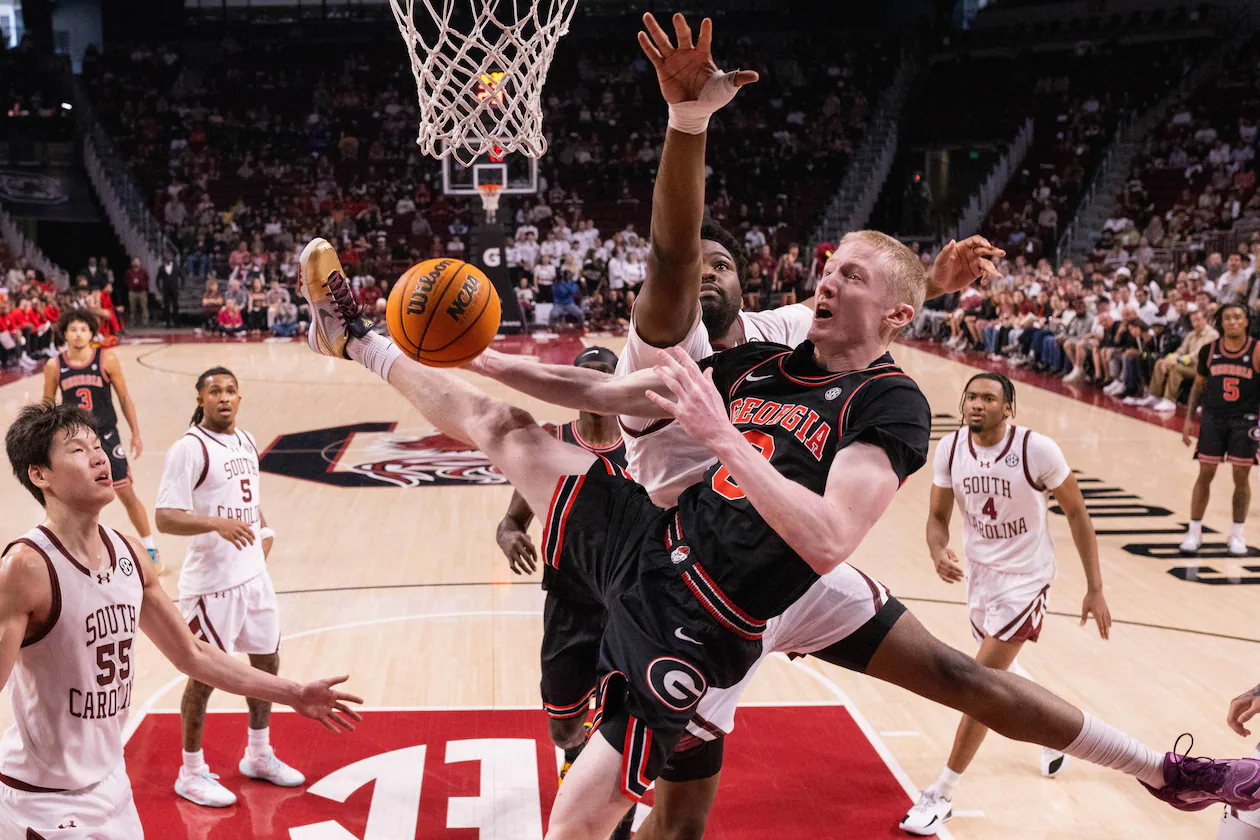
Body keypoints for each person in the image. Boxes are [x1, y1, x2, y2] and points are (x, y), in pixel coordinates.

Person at [301, 217, 1260, 840]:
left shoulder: (888, 403)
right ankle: (360, 338)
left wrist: (726, 441)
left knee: (958, 677)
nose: (823, 280)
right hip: (662, 551)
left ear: (888, 309)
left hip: (753, 599)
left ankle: (1169, 770)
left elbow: (832, 538)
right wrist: (488, 356)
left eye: (842, 273)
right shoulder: (759, 357)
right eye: (825, 267)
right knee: (505, 430)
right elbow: (598, 389)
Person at [0, 401, 361, 838]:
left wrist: (293, 693)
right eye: (77, 451)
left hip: (111, 784)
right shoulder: (26, 568)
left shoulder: (129, 553)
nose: (100, 457)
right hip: (40, 799)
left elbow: (192, 654)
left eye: (98, 446)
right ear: (39, 475)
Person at [902, 372, 1111, 835]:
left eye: (989, 398)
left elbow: (1077, 513)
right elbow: (937, 518)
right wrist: (939, 552)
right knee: (1000, 676)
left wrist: (1094, 587)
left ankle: (942, 793)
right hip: (981, 577)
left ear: (1007, 407)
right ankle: (1055, 730)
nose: (977, 404)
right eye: (971, 396)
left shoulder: (1036, 449)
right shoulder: (952, 449)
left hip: (1027, 581)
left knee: (980, 683)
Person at [495, 346, 633, 840]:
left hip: (632, 607)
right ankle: (576, 758)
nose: (596, 384)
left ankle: (614, 818)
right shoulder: (551, 443)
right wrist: (511, 537)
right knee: (563, 728)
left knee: (623, 724)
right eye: (586, 374)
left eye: (606, 374)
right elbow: (511, 520)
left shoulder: (643, 447)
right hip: (570, 603)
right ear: (570, 382)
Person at [155, 367, 305, 807]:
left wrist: (263, 533)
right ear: (200, 399)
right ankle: (191, 771)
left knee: (266, 663)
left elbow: (249, 503)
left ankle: (258, 755)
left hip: (253, 578)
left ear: (240, 398)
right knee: (204, 677)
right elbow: (166, 517)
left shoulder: (247, 440)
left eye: (231, 390)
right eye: (214, 391)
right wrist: (214, 524)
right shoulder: (189, 449)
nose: (224, 397)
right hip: (211, 586)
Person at [43, 310, 163, 575]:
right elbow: (47, 406)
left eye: (83, 329)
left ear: (91, 332)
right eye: (73, 329)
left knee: (125, 491)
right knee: (71, 497)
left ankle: (150, 547)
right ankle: (74, 553)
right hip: (74, 439)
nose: (78, 334)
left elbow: (123, 397)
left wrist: (135, 432)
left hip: (106, 435)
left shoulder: (106, 358)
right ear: (64, 333)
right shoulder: (54, 366)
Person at [1180, 304, 1260, 556]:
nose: (1233, 322)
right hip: (1213, 419)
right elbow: (1198, 386)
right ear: (1221, 323)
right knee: (1205, 473)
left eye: (1237, 317)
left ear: (1246, 321)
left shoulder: (1257, 350)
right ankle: (1194, 531)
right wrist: (1188, 419)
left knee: (1241, 477)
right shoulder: (1209, 350)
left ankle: (1237, 534)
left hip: (1244, 420)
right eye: (1227, 318)